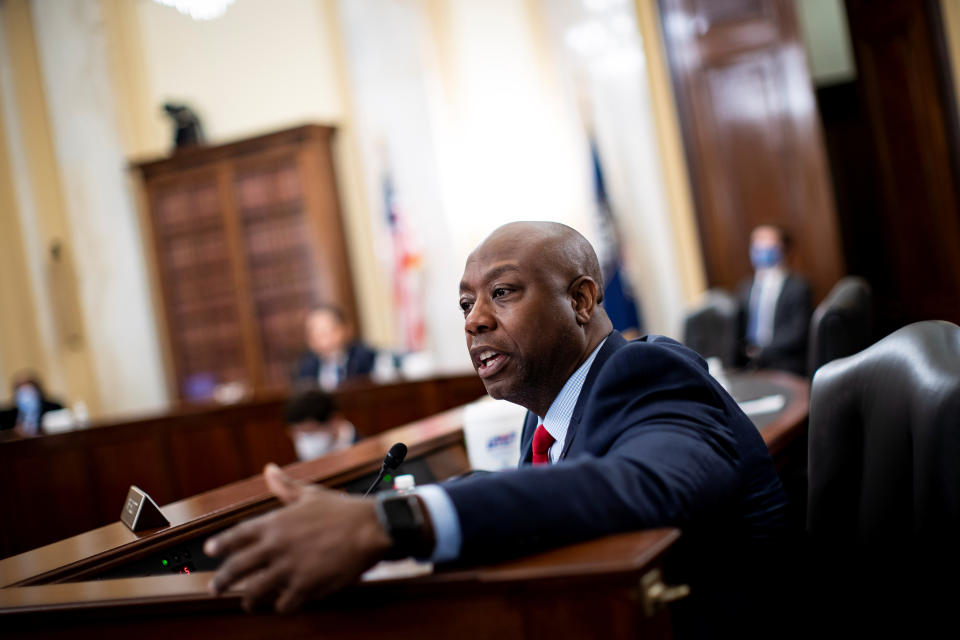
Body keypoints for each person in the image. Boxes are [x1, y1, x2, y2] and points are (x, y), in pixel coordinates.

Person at [206, 222, 789, 635]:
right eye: (465, 304)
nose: (475, 320)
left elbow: (637, 483)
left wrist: (394, 524)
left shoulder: (647, 371)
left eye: (502, 293)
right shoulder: (547, 413)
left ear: (581, 299)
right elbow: (554, 488)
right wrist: (368, 509)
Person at [738, 224, 812, 376]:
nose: (761, 246)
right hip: (750, 364)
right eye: (756, 241)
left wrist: (763, 351)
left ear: (783, 248)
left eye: (767, 241)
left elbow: (798, 331)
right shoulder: (745, 287)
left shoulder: (798, 287)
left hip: (785, 363)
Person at [293, 304, 376, 390]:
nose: (319, 339)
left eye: (325, 332)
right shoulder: (307, 367)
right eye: (313, 333)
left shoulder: (365, 358)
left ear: (345, 329)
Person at [284, 389, 357, 461]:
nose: (303, 439)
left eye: (310, 433)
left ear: (334, 420)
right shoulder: (302, 463)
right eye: (297, 433)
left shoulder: (361, 451)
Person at [0, 371, 65, 436]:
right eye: (22, 392)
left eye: (29, 392)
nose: (25, 397)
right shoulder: (6, 416)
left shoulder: (54, 408)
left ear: (37, 391)